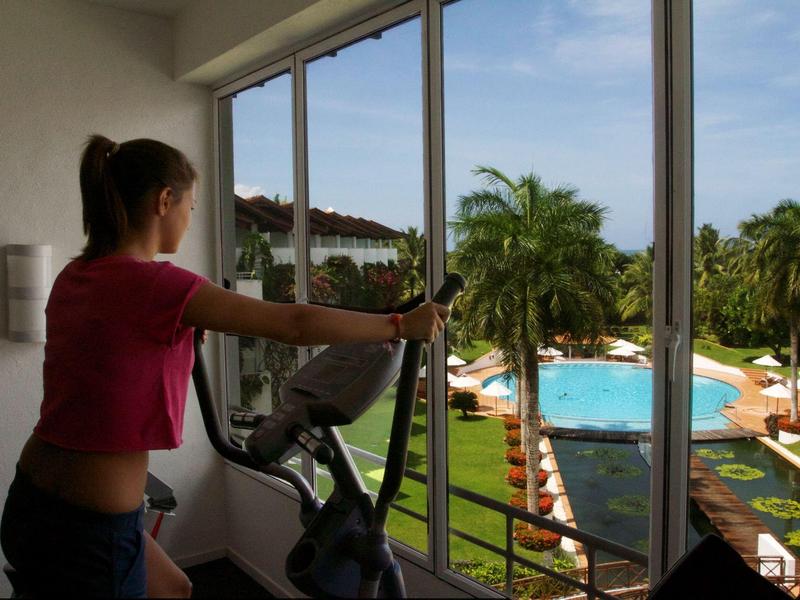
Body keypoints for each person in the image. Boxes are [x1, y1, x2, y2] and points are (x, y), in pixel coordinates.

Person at [0, 134, 450, 598]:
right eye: (190, 208)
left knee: (176, 589)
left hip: (33, 499)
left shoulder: (76, 275)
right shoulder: (157, 285)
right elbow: (292, 324)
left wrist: (181, 330)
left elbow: (106, 353)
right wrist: (398, 324)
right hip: (92, 527)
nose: (189, 220)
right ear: (164, 200)